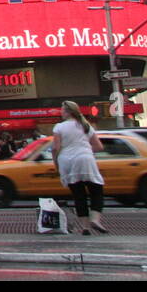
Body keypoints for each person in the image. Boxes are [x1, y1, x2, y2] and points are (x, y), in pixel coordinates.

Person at [52, 100, 106, 234]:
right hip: (85, 159)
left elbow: (55, 148)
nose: (61, 112)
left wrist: (56, 163)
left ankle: (85, 227)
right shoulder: (85, 126)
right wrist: (84, 149)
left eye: (62, 110)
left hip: (66, 161)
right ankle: (95, 218)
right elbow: (99, 146)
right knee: (96, 189)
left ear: (68, 112)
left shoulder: (59, 127)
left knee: (78, 194)